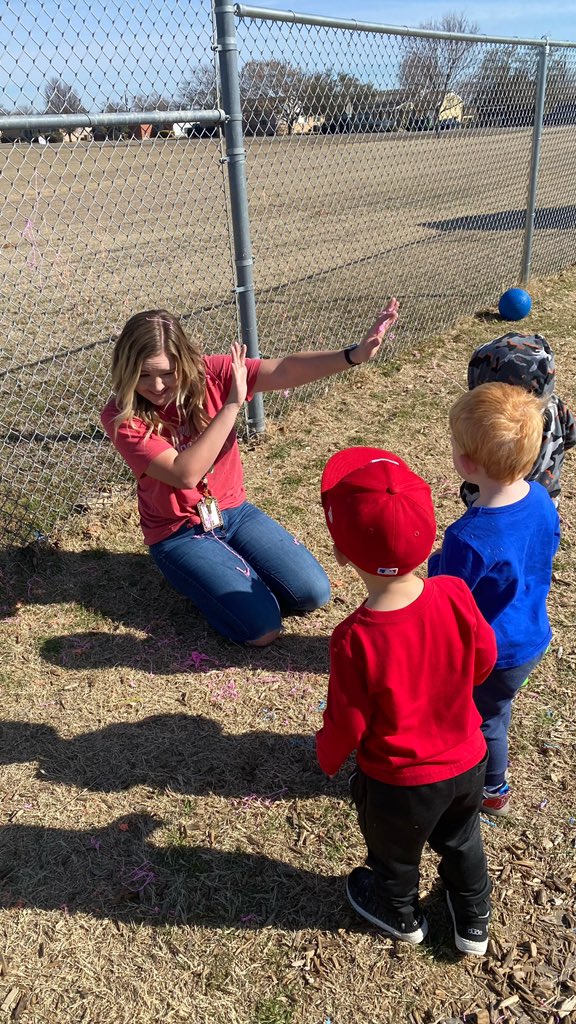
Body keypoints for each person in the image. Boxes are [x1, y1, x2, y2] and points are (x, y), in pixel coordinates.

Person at [100, 301, 399, 646]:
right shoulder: (121, 416)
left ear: (184, 361)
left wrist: (354, 355)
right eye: (144, 374)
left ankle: (234, 579)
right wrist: (231, 405)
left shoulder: (212, 372)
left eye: (168, 372)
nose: (156, 385)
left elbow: (285, 370)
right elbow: (185, 473)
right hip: (179, 532)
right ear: (127, 369)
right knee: (261, 630)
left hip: (234, 511)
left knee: (313, 593)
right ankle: (213, 582)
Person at [317, 447, 497, 955]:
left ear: (342, 554)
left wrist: (328, 756)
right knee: (462, 839)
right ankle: (473, 921)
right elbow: (484, 660)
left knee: (394, 855)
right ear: (429, 534)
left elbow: (347, 722)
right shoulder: (456, 593)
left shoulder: (353, 638)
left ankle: (400, 914)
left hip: (398, 782)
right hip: (468, 762)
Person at [429, 382, 560, 817]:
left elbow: (447, 600)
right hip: (531, 637)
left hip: (492, 653)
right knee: (497, 708)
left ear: (466, 463)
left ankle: (491, 788)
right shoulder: (541, 498)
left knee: (484, 719)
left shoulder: (467, 537)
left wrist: (433, 568)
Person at [461, 332, 575, 508]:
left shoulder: (499, 427)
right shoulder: (557, 406)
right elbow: (571, 436)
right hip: (547, 500)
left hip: (499, 505)